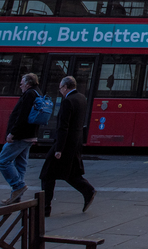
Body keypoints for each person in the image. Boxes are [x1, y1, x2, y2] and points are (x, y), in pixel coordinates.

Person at [39, 76, 96, 217]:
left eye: (60, 88)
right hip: (75, 143)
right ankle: (88, 190)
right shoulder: (81, 98)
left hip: (64, 144)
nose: (60, 91)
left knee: (47, 174)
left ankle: (45, 208)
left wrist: (58, 149)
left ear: (65, 87)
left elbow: (63, 127)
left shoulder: (67, 102)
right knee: (70, 173)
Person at [0, 72, 40, 204]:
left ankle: (18, 186)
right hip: (29, 135)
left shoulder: (29, 94)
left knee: (2, 161)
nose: (20, 84)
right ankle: (16, 196)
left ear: (27, 83)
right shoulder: (37, 93)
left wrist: (12, 133)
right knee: (20, 165)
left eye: (22, 82)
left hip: (21, 136)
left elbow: (22, 116)